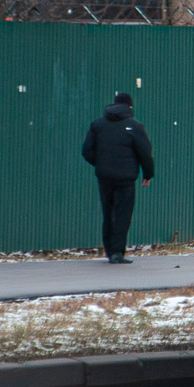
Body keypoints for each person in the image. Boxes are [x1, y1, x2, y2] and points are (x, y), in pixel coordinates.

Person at [81, 91, 154, 264]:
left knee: (108, 212)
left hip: (104, 177)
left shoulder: (98, 125)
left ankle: (109, 250)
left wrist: (100, 164)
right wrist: (148, 174)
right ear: (130, 106)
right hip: (126, 178)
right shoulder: (135, 126)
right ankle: (117, 253)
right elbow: (145, 153)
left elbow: (86, 151)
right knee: (122, 214)